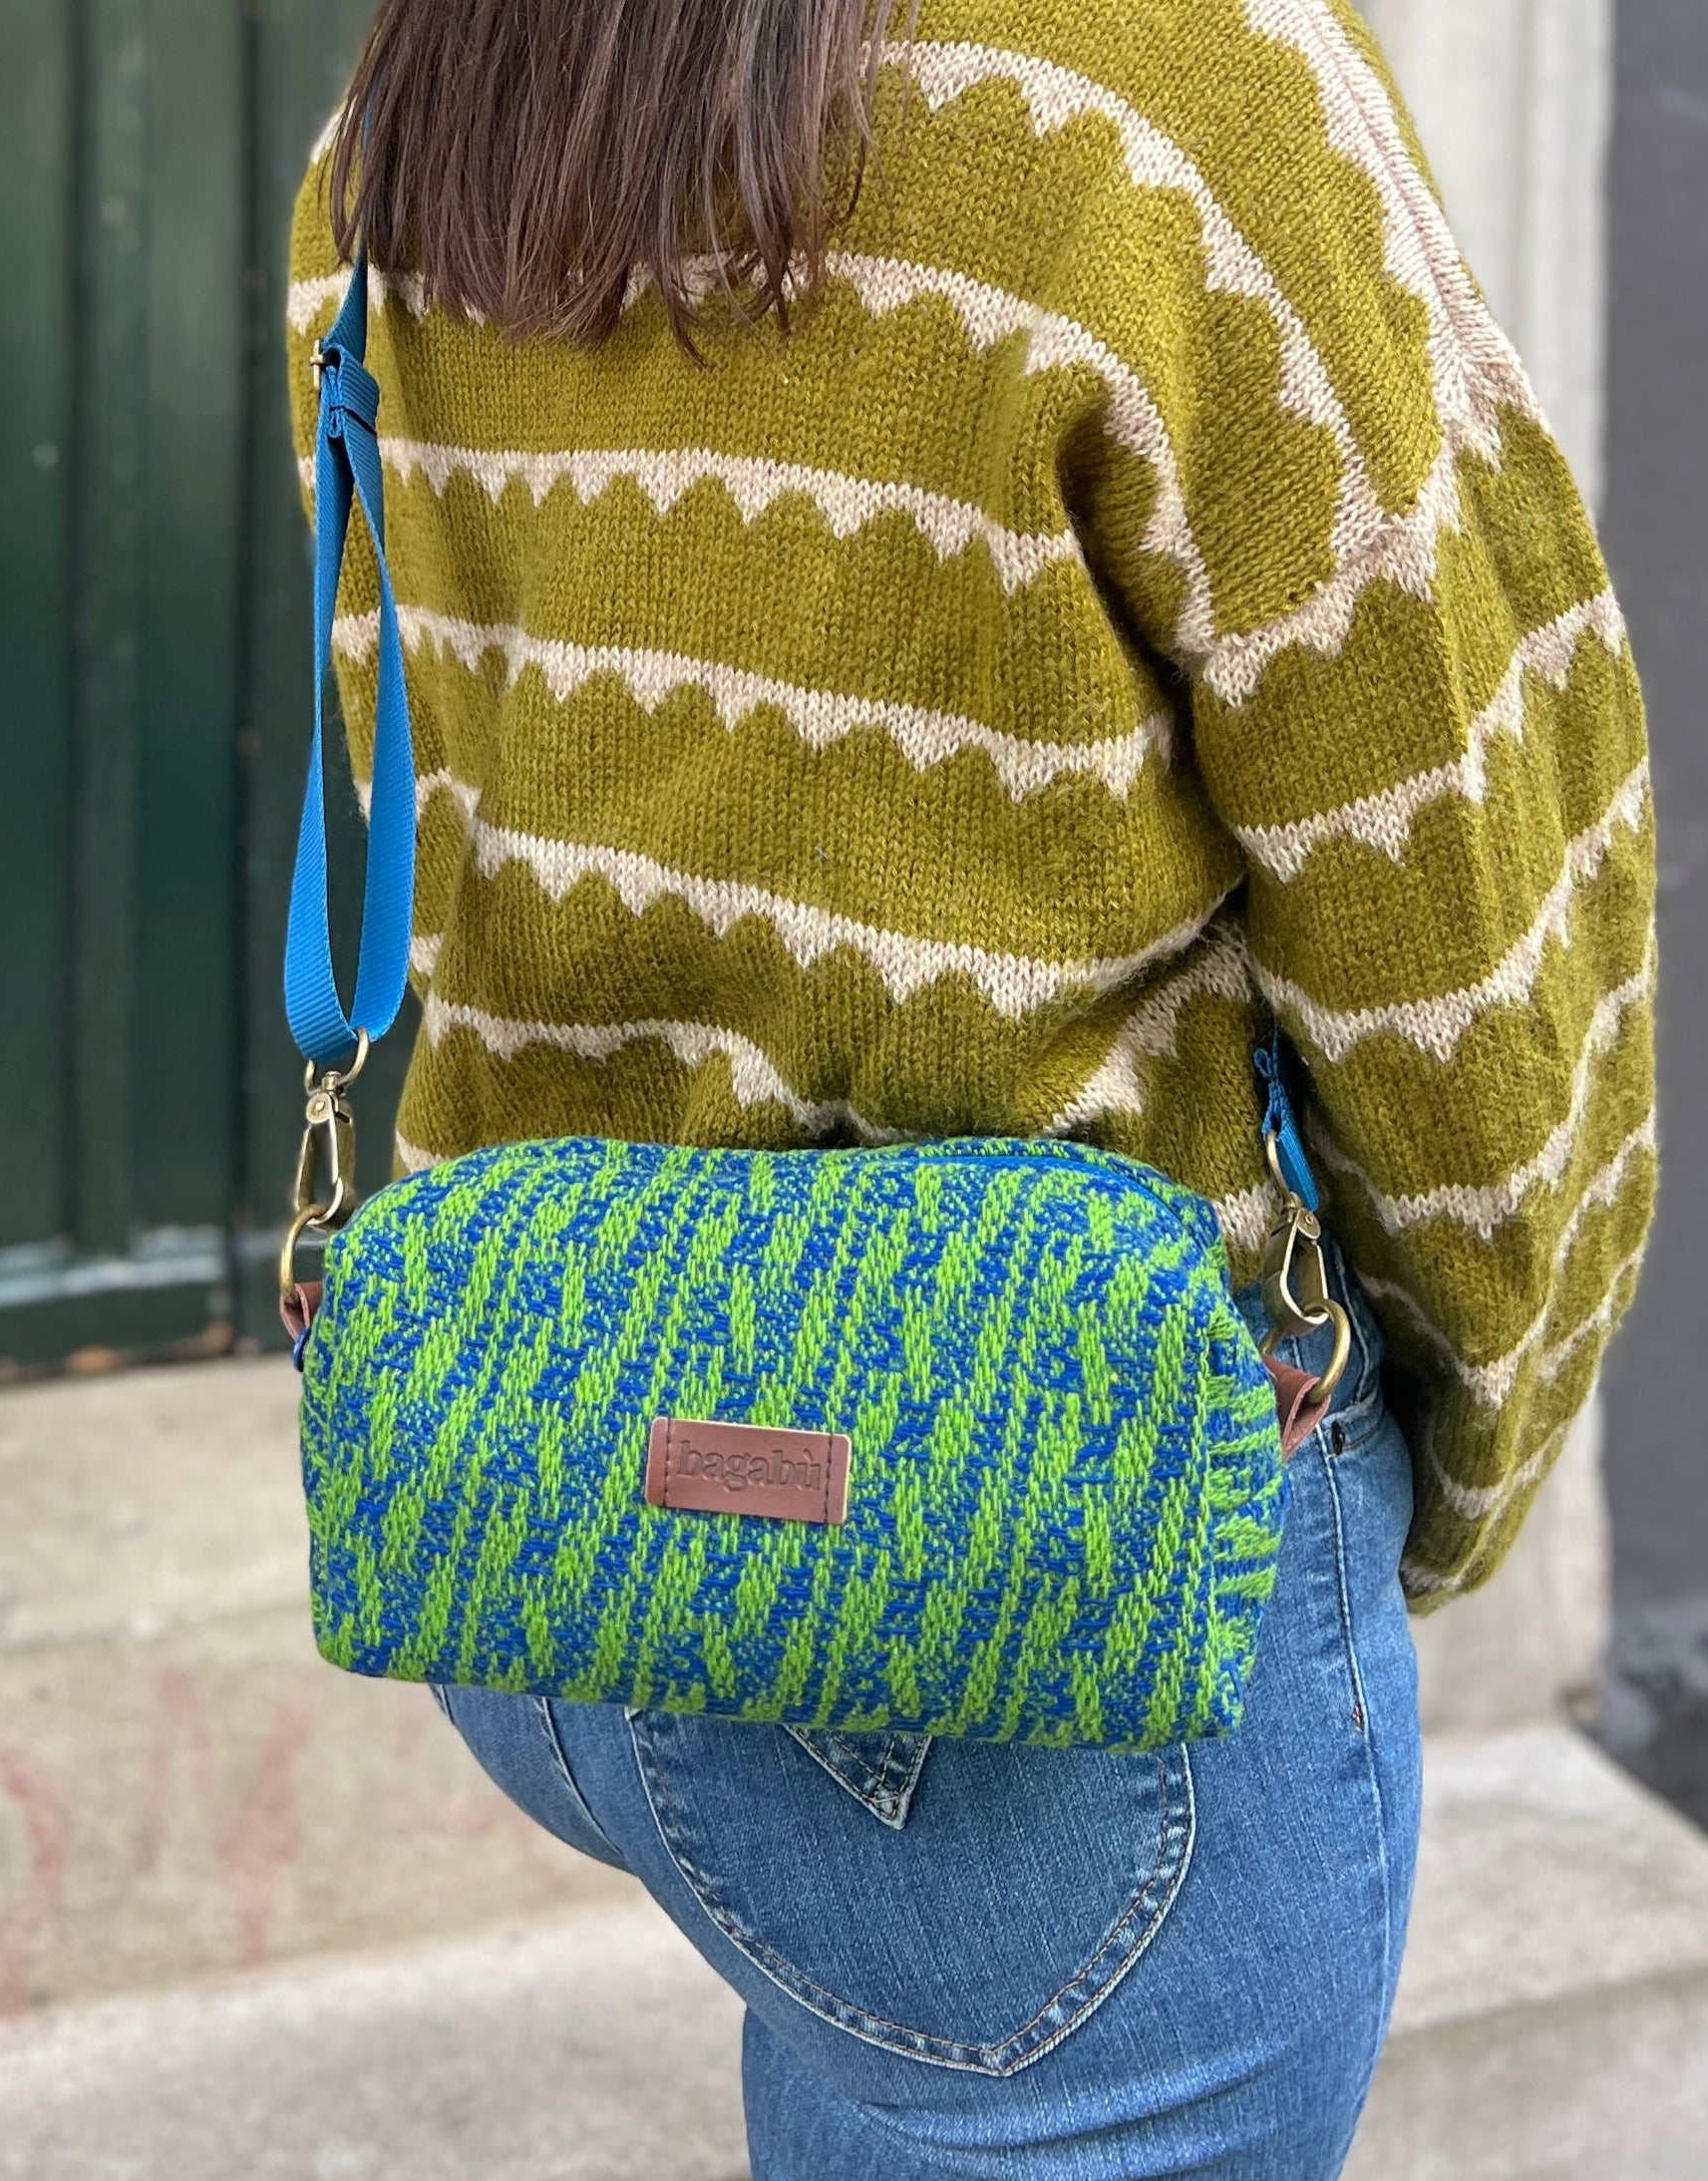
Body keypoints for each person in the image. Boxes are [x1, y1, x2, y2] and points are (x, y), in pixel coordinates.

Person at [285, 3, 1658, 2174]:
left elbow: (443, 781)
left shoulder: (417, 116)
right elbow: (1465, 898)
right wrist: (1461, 1448)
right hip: (1039, 1549)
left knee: (879, 2060)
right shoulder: (1165, 80)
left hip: (553, 1482)